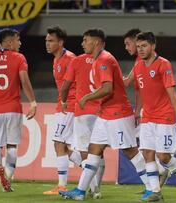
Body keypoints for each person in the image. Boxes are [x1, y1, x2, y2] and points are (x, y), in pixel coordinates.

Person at [59, 28, 151, 201]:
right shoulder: (97, 60)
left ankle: (152, 187)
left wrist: (87, 97)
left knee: (130, 151)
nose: (82, 44)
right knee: (93, 149)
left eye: (85, 40)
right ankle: (80, 191)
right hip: (105, 114)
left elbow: (108, 88)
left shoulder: (104, 60)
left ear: (95, 42)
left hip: (117, 113)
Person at [132, 31, 176, 202]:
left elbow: (172, 93)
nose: (141, 50)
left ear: (153, 46)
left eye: (144, 46)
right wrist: (139, 111)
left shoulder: (163, 64)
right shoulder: (138, 66)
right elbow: (141, 91)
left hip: (164, 117)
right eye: (138, 47)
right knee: (147, 153)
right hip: (147, 117)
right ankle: (155, 191)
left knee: (163, 156)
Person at [0, 28, 37, 192]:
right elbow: (24, 81)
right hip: (14, 109)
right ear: (9, 42)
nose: (20, 43)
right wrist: (33, 102)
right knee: (12, 146)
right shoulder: (19, 57)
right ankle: (8, 179)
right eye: (18, 40)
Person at [123, 28, 171, 190]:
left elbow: (128, 84)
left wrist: (138, 111)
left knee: (133, 147)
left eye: (128, 44)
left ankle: (160, 175)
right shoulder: (140, 63)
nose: (128, 48)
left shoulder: (145, 62)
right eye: (134, 46)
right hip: (146, 111)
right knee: (142, 149)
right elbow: (139, 88)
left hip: (153, 112)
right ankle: (153, 186)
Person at [43, 25, 81, 195]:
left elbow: (81, 82)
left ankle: (62, 185)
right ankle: (91, 168)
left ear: (61, 42)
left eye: (51, 41)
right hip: (63, 106)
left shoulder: (70, 58)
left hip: (70, 106)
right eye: (46, 40)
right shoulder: (56, 59)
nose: (47, 44)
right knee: (64, 147)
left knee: (59, 143)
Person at [60, 50, 103, 199]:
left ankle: (94, 188)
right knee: (97, 151)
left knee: (83, 152)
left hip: (82, 111)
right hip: (100, 111)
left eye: (85, 40)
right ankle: (94, 187)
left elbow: (65, 86)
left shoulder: (77, 61)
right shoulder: (104, 59)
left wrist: (63, 102)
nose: (82, 44)